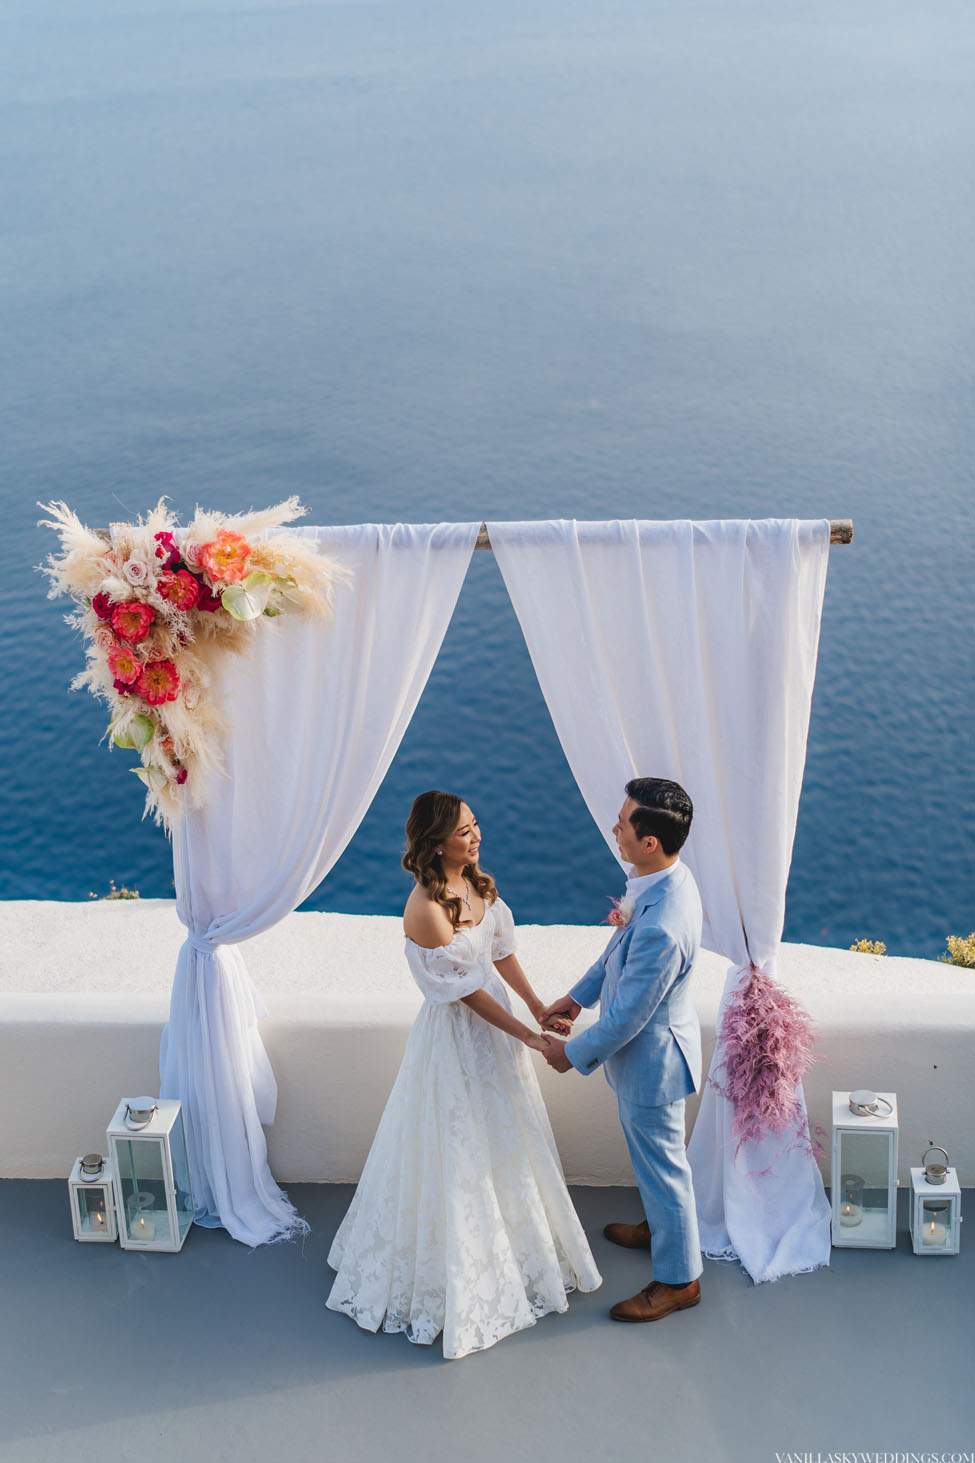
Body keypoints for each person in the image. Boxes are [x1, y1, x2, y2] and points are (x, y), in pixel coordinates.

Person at [326, 790, 601, 1359]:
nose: (476, 837)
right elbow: (464, 992)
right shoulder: (425, 908)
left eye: (476, 826)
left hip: (494, 1030)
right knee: (457, 1146)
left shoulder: (477, 884)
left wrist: (537, 1007)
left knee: (505, 1134)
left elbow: (499, 953)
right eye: (463, 832)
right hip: (458, 1038)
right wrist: (525, 1035)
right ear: (434, 842)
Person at [539, 777, 703, 1324]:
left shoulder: (662, 925)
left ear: (649, 841)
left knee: (665, 1169)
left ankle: (679, 1281)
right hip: (649, 1057)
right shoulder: (663, 880)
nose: (615, 828)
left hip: (652, 1065)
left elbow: (633, 1013)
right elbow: (617, 950)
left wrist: (572, 1053)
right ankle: (660, 1229)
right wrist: (576, 997)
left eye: (623, 822)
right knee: (656, 1165)